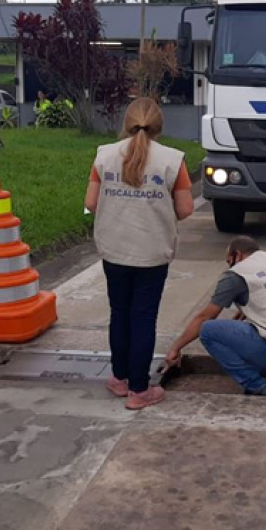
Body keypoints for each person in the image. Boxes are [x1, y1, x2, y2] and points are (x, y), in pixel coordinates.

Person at [85, 98, 194, 410]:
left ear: (126, 123)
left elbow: (92, 203)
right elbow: (186, 208)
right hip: (151, 252)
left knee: (119, 312)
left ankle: (119, 379)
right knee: (143, 316)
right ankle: (140, 389)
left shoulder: (104, 155)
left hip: (114, 249)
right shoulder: (173, 160)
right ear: (159, 127)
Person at [165, 237, 266, 397]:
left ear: (237, 255)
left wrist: (175, 348)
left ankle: (257, 387)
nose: (229, 266)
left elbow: (204, 318)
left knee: (208, 331)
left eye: (229, 261)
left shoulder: (237, 274)